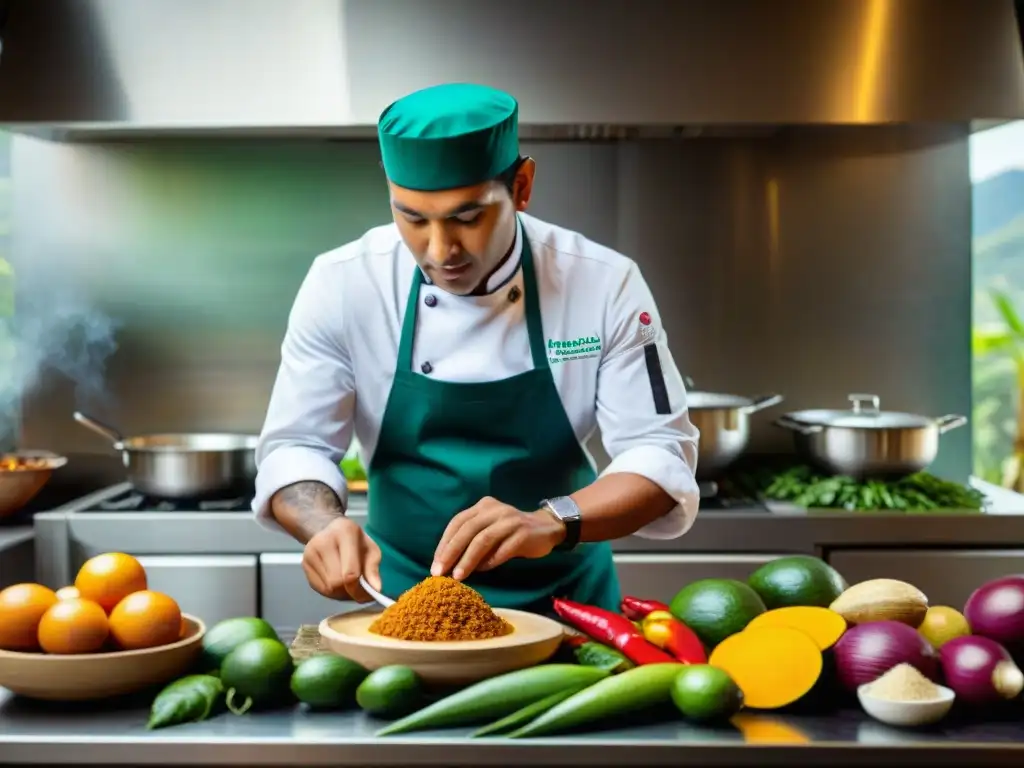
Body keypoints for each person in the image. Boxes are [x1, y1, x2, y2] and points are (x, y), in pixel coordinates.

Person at [253, 83, 700, 614]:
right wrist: (325, 526)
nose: (440, 252)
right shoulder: (344, 283)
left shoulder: (603, 283)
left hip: (569, 605)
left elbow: (659, 452)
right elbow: (294, 448)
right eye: (413, 219)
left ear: (523, 186)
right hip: (401, 603)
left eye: (467, 218)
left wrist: (549, 521)